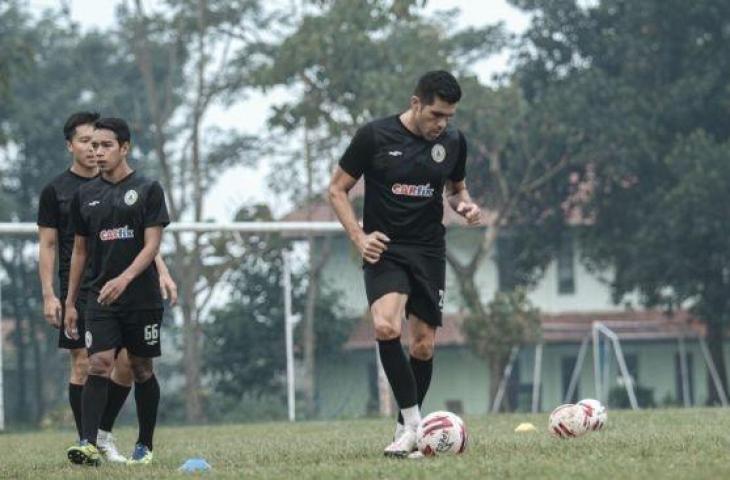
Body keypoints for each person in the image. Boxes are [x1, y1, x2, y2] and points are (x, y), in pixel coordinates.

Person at [328, 70, 481, 457]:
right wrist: (359, 237)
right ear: (416, 104)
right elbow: (336, 189)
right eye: (435, 114)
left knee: (425, 346)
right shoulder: (375, 136)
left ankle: (404, 429)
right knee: (384, 325)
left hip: (428, 250)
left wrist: (464, 204)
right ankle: (415, 422)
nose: (442, 124)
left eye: (449, 116)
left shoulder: (453, 142)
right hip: (386, 248)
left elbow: (455, 189)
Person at [37, 112, 177, 463]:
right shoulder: (86, 194)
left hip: (140, 297)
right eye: (93, 145)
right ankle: (88, 441)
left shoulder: (148, 189)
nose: (97, 151)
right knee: (96, 363)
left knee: (141, 368)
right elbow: (81, 250)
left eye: (105, 145)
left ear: (124, 147)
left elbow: (151, 245)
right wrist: (70, 300)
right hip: (99, 297)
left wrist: (128, 278)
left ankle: (144, 444)